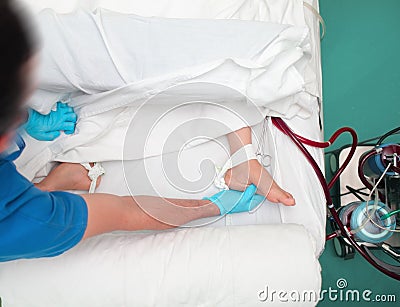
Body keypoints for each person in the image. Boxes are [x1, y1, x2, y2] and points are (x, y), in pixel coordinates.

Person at [0, 0, 294, 262]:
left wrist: (28, 117)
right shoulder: (19, 223)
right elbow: (125, 212)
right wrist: (216, 205)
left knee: (112, 65)